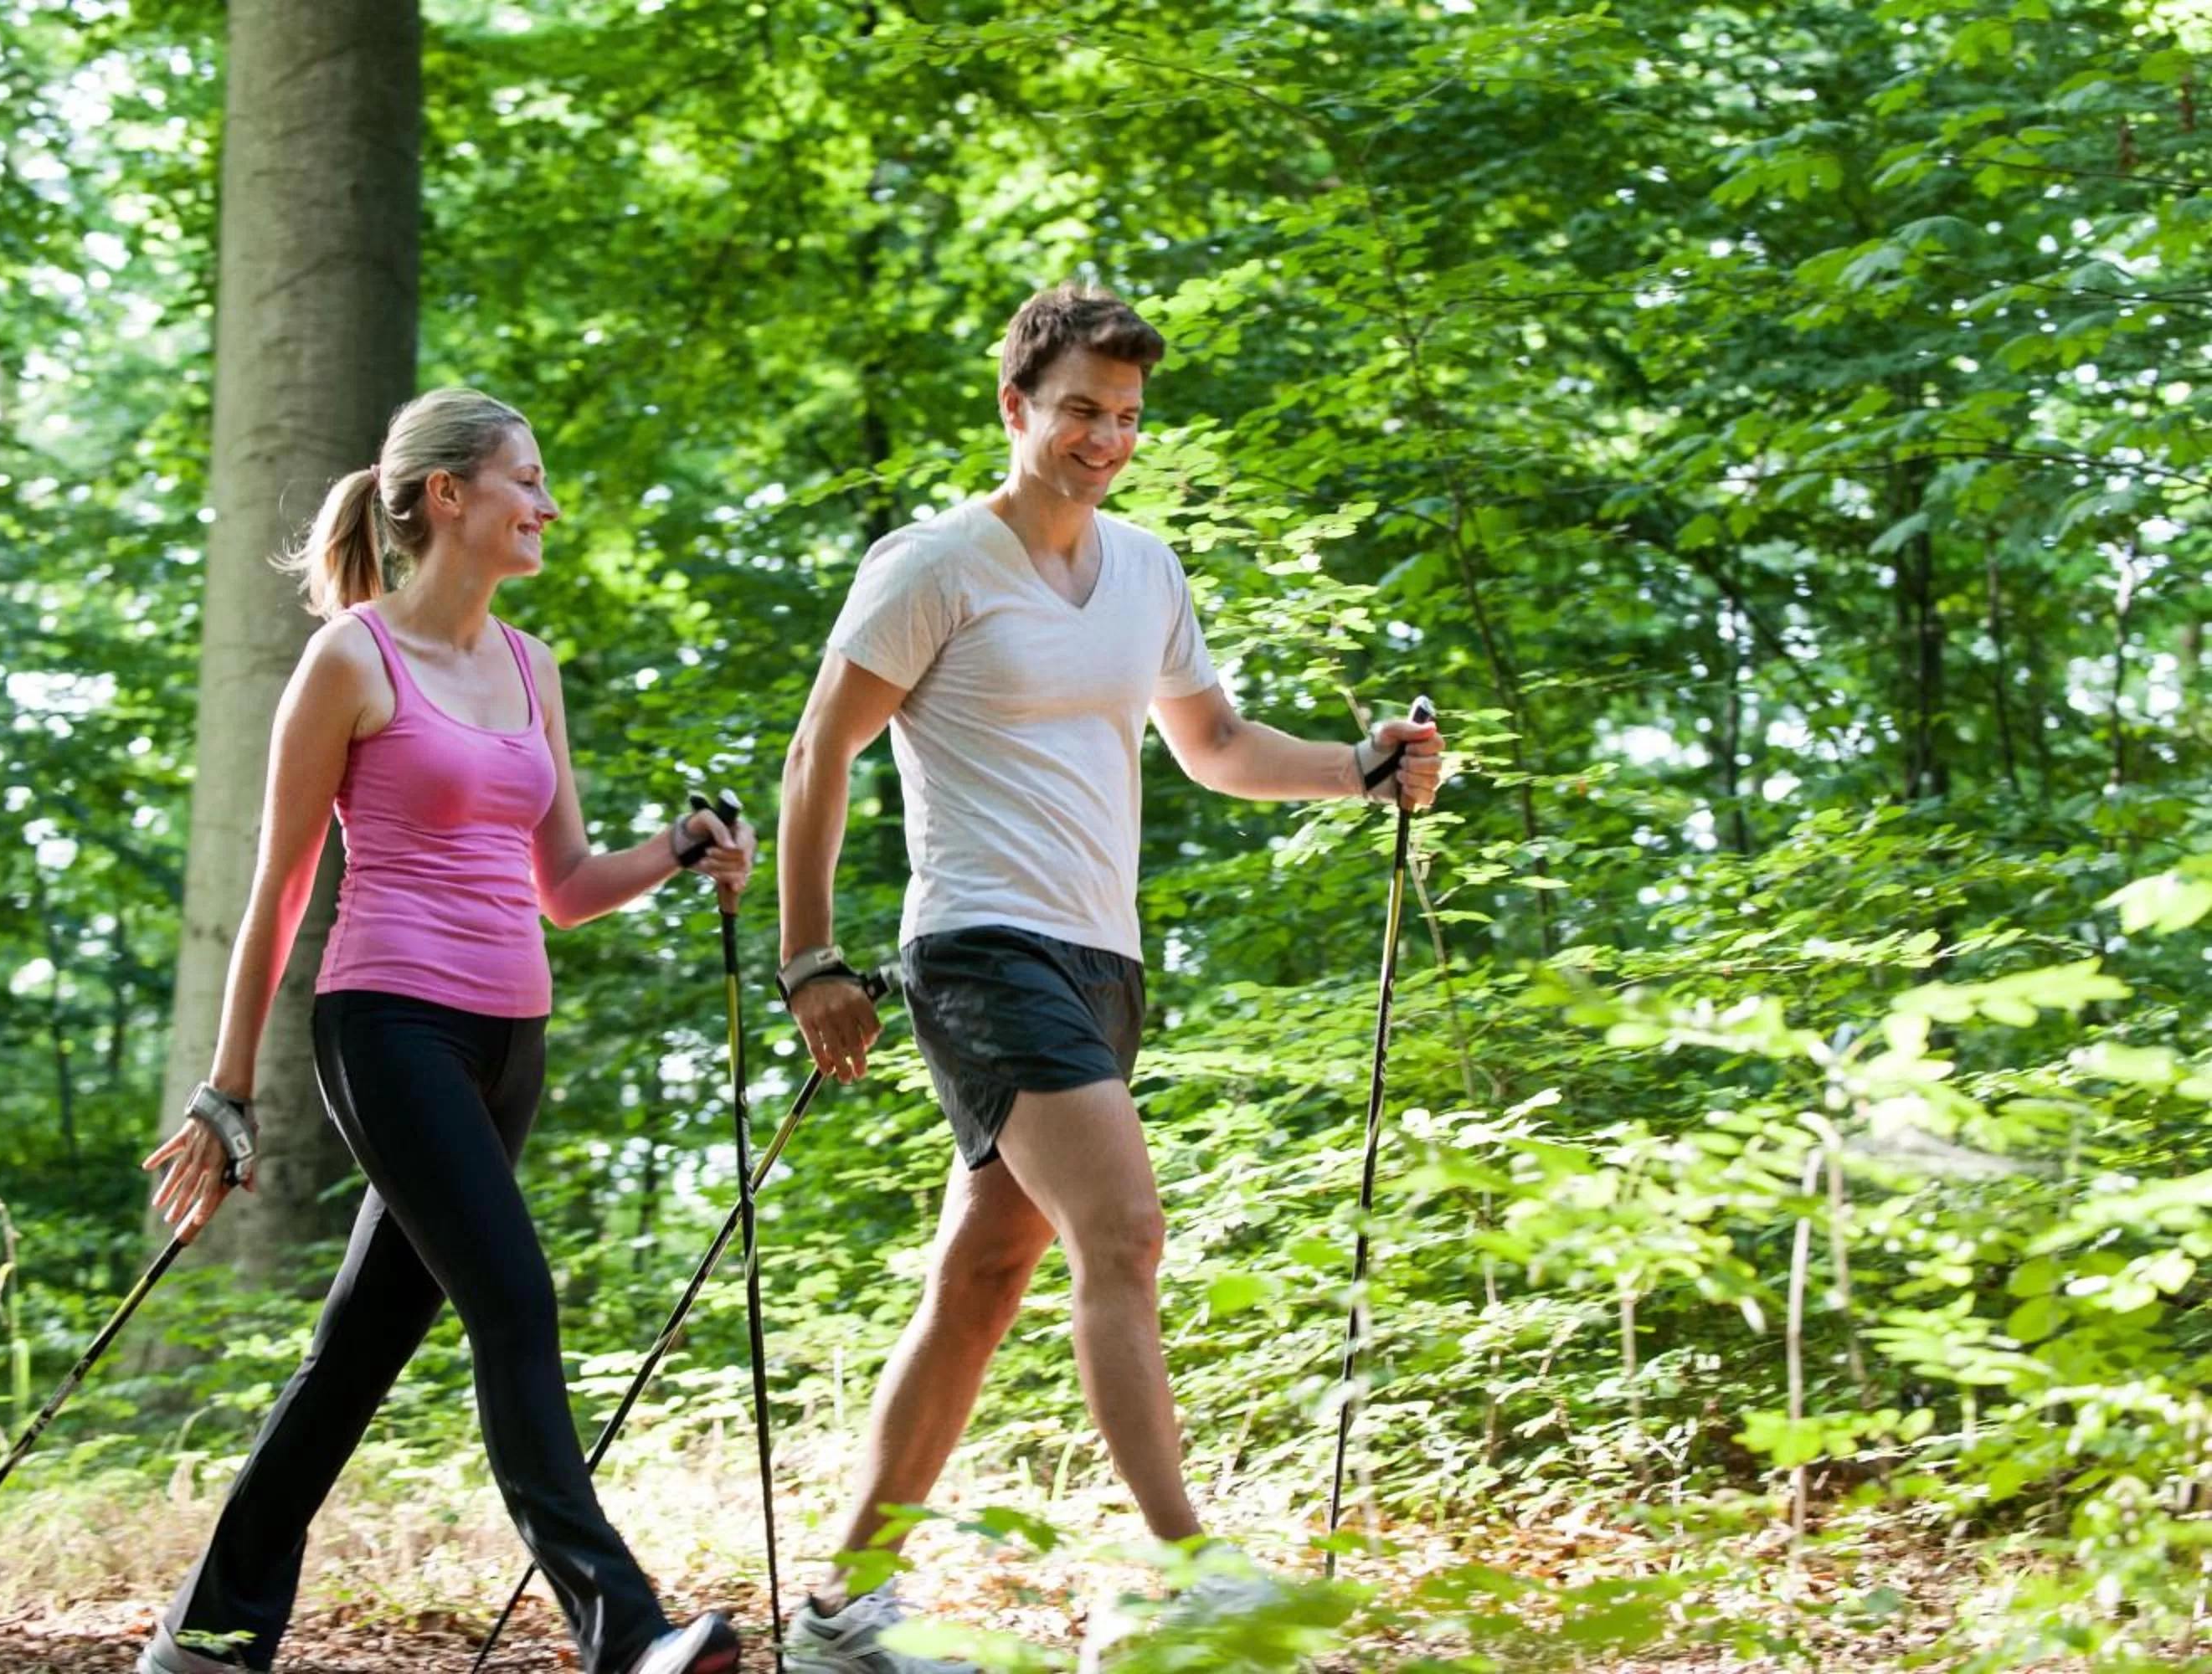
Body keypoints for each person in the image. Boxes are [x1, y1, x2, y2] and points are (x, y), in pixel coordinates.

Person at [771, 285, 1443, 1669]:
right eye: (1080, 409)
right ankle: (1186, 1569)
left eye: (1127, 417)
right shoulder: (934, 564)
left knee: (984, 1276)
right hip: (979, 944)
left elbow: (1216, 746)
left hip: (1103, 958)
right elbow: (819, 749)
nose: (1105, 438)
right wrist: (809, 956)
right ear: (1015, 406)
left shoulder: (1146, 569)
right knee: (1125, 1233)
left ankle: (841, 1609)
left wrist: (1363, 771)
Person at [137, 389, 754, 1674]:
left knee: (360, 1350)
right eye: (526, 480)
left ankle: (209, 1634)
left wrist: (680, 849)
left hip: (509, 1037)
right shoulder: (353, 660)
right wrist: (228, 1087)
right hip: (389, 1022)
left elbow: (564, 885)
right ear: (447, 495)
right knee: (515, 1302)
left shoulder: (532, 668)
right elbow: (280, 888)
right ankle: (625, 1633)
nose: (547, 506)